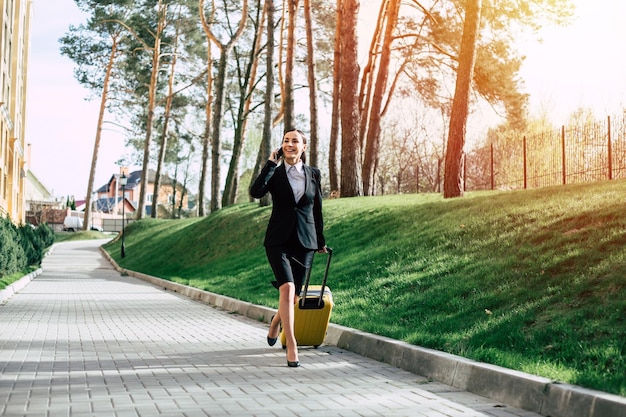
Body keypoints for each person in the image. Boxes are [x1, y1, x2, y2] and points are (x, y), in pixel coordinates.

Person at [250, 128, 327, 368]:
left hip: (304, 240)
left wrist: (321, 241)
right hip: (278, 240)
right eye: (286, 140)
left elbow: (317, 209)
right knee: (287, 288)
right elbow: (256, 192)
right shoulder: (275, 172)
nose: (290, 144)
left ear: (304, 147)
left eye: (295, 141)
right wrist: (270, 165)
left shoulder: (313, 174)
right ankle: (291, 344)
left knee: (293, 297)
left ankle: (275, 322)